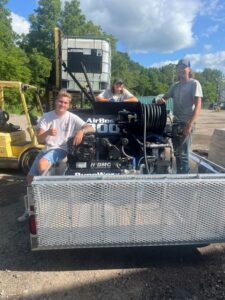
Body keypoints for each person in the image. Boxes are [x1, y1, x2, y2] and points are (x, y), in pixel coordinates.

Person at [18, 90, 95, 221]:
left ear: (68, 104)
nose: (62, 104)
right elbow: (40, 139)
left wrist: (81, 131)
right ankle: (30, 209)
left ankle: (48, 201)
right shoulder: (47, 116)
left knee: (42, 164)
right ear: (56, 101)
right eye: (60, 101)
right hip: (46, 149)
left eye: (65, 102)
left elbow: (92, 128)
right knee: (30, 178)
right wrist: (47, 132)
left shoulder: (72, 117)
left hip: (61, 149)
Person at [158, 58, 203, 174]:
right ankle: (179, 176)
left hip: (186, 123)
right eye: (179, 67)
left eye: (183, 67)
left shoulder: (194, 84)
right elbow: (165, 98)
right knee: (177, 153)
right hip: (176, 123)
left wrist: (189, 124)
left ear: (189, 69)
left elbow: (198, 106)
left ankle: (185, 180)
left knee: (183, 154)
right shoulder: (175, 86)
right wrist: (160, 100)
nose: (181, 69)